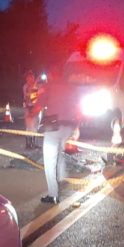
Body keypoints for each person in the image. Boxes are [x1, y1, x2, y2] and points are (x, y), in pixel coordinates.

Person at [39, 64, 81, 204]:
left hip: (53, 127)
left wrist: (31, 116)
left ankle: (53, 194)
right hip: (68, 127)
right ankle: (62, 178)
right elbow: (78, 108)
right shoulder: (70, 87)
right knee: (60, 154)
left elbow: (39, 105)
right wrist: (76, 127)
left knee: (49, 161)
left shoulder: (49, 86)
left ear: (51, 74)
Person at [22, 69, 43, 149]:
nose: (31, 78)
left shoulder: (37, 85)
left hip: (37, 108)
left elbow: (40, 94)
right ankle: (28, 143)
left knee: (36, 126)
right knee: (29, 126)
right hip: (29, 108)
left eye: (32, 77)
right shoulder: (26, 87)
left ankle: (33, 143)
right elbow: (31, 96)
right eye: (29, 77)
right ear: (26, 78)